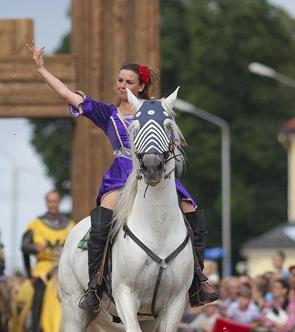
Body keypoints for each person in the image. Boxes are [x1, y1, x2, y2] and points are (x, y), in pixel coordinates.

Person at [26, 41, 219, 313]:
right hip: (121, 175)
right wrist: (41, 69)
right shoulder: (108, 113)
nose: (122, 85)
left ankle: (198, 281)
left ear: (141, 87)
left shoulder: (155, 111)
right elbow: (69, 95)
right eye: (119, 80)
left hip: (155, 172)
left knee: (190, 208)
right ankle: (94, 285)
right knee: (104, 214)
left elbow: (172, 139)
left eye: (129, 81)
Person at [21, 190, 74, 332]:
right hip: (43, 269)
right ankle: (36, 330)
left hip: (65, 267)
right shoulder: (36, 225)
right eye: (50, 201)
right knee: (39, 291)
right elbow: (24, 247)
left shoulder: (69, 225)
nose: (53, 204)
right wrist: (34, 248)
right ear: (46, 203)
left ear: (58, 202)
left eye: (55, 201)